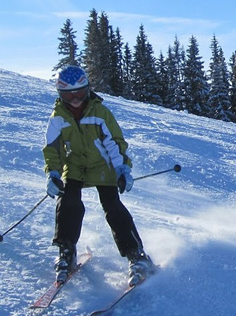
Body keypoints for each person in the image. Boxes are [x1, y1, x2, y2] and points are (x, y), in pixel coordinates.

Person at [42, 65, 154, 285]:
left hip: (102, 165)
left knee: (112, 205)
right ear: (60, 95)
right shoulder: (58, 116)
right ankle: (67, 251)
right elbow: (52, 148)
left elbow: (115, 142)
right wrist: (53, 173)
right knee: (68, 202)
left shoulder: (99, 112)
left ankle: (136, 255)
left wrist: (122, 169)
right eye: (68, 95)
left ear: (88, 90)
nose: (75, 100)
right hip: (74, 166)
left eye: (80, 94)